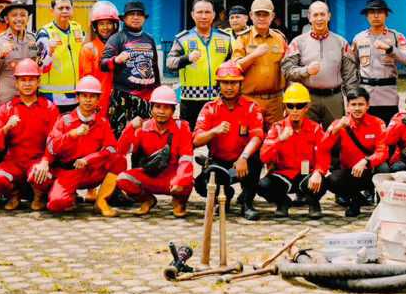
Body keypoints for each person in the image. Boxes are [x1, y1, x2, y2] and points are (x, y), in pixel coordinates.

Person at [31, 76, 120, 215]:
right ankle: (62, 195)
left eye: (92, 96)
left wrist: (89, 159)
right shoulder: (64, 121)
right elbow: (51, 147)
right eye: (84, 96)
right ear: (77, 97)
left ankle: (101, 201)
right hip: (68, 172)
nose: (88, 100)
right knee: (57, 204)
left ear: (98, 99)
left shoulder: (102, 123)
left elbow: (111, 148)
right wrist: (72, 135)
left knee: (119, 160)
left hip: (90, 172)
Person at [0, 59, 58, 210]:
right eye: (23, 80)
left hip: (37, 161)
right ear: (16, 83)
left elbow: (55, 141)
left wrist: (45, 161)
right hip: (13, 162)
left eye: (31, 80)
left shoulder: (49, 108)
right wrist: (6, 128)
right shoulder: (6, 109)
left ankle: (38, 197)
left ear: (38, 82)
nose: (27, 84)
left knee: (43, 177)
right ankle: (14, 195)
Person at [193, 62, 266, 219]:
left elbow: (258, 136)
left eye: (233, 82)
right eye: (225, 82)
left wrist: (244, 157)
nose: (229, 87)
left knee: (257, 158)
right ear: (219, 84)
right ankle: (225, 194)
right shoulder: (209, 108)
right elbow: (196, 141)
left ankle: (247, 203)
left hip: (243, 160)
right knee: (201, 185)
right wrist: (214, 131)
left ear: (240, 84)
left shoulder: (251, 107)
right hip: (219, 161)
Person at [114, 85, 195, 217]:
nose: (161, 111)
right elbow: (121, 151)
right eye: (157, 107)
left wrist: (180, 180)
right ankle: (147, 200)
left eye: (166, 107)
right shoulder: (143, 127)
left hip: (173, 177)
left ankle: (179, 202)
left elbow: (186, 159)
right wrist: (129, 128)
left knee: (187, 181)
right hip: (151, 175)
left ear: (173, 110)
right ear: (151, 108)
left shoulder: (182, 127)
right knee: (123, 179)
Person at [281, 1, 355, 127]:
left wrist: (352, 100)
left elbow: (350, 75)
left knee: (335, 136)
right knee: (306, 137)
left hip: (334, 98)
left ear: (329, 16)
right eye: (315, 15)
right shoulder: (298, 42)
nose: (319, 18)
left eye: (322, 14)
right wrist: (306, 71)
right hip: (307, 98)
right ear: (309, 17)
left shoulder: (341, 42)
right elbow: (287, 70)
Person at [316, 90, 389, 217]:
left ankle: (383, 205)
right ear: (347, 107)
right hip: (349, 172)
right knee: (331, 180)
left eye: (361, 104)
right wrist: (336, 129)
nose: (357, 108)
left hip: (369, 170)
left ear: (368, 105)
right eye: (353, 105)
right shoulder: (338, 124)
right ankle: (356, 200)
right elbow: (322, 148)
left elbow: (383, 151)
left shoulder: (378, 123)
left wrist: (366, 161)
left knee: (385, 168)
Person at [258, 83, 325, 218]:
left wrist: (318, 172)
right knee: (262, 185)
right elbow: (263, 157)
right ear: (285, 107)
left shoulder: (316, 128)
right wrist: (280, 140)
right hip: (283, 175)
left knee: (323, 181)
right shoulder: (277, 128)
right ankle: (283, 203)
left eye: (299, 106)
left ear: (307, 107)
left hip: (306, 174)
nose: (295, 110)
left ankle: (313, 203)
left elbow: (324, 155)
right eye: (290, 106)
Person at [168, 0, 233, 126]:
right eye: (200, 12)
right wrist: (187, 59)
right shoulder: (183, 38)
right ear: (192, 14)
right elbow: (170, 63)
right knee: (189, 142)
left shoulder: (225, 38)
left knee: (219, 141)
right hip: (191, 100)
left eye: (207, 12)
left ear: (214, 15)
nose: (204, 16)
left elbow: (232, 64)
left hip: (219, 99)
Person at [100, 1, 159, 129]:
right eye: (132, 14)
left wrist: (158, 90)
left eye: (139, 14)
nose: (136, 17)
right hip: (123, 97)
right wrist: (115, 60)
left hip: (147, 99)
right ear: (124, 18)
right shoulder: (116, 38)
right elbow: (102, 64)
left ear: (144, 18)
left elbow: (154, 67)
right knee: (120, 138)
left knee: (145, 137)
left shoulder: (150, 39)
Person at [352, 0, 406, 123]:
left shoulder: (396, 36)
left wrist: (391, 49)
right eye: (372, 12)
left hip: (388, 94)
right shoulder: (359, 38)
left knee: (388, 133)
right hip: (366, 94)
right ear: (367, 16)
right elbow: (353, 66)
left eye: (380, 12)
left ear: (386, 14)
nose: (376, 15)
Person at [232, 0, 288, 123]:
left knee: (275, 140)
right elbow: (235, 68)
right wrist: (254, 55)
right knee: (250, 138)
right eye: (258, 14)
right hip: (249, 100)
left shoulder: (280, 38)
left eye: (265, 14)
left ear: (272, 16)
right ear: (251, 15)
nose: (261, 18)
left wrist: (288, 99)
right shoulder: (243, 39)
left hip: (276, 101)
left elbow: (287, 69)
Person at [0, 0, 38, 103]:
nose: (19, 19)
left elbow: (38, 65)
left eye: (23, 15)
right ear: (7, 19)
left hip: (30, 100)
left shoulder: (33, 39)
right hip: (7, 100)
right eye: (14, 15)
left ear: (28, 19)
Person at [35, 0, 87, 112]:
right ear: (52, 11)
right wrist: (50, 52)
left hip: (75, 93)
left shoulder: (78, 29)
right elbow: (40, 65)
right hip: (52, 94)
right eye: (60, 8)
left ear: (72, 10)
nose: (64, 11)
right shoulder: (45, 33)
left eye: (67, 8)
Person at [78, 1, 120, 115]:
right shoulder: (88, 49)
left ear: (115, 25)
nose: (105, 27)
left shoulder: (121, 47)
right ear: (95, 27)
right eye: (101, 24)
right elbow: (86, 80)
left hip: (120, 101)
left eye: (109, 23)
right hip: (98, 102)